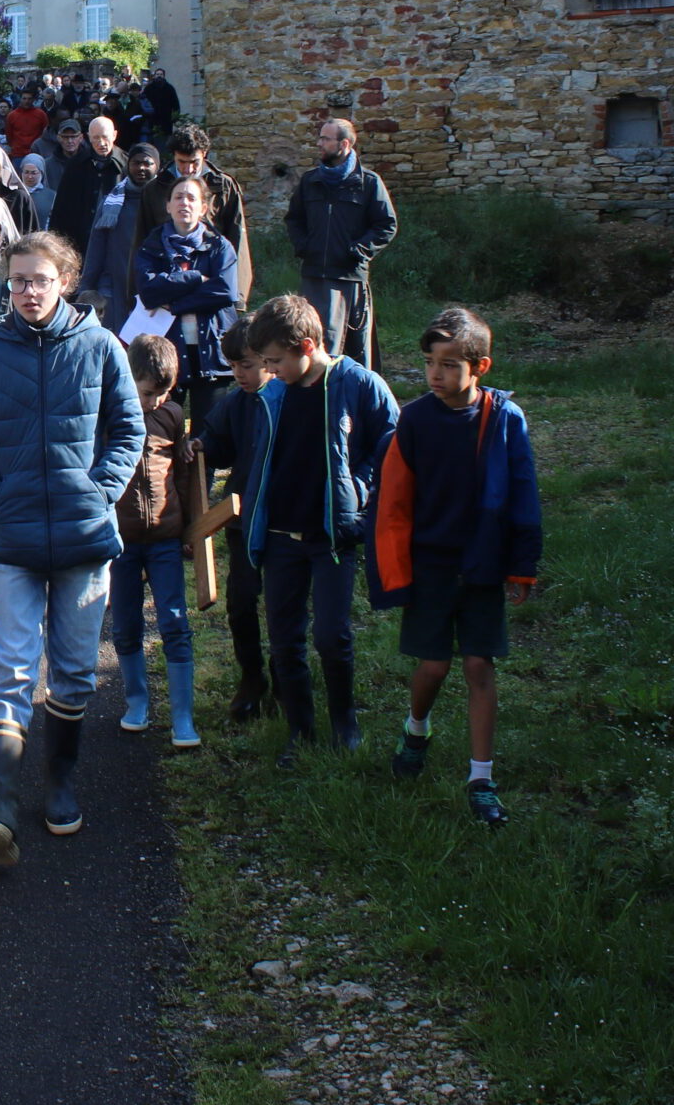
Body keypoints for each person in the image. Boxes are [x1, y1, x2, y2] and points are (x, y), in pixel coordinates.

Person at [0, 232, 143, 866]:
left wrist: (100, 491)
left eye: (39, 280)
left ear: (63, 280)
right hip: (13, 539)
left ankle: (59, 785)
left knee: (76, 670)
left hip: (86, 538)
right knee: (10, 671)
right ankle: (2, 802)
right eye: (17, 281)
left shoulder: (99, 347)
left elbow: (128, 427)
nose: (28, 292)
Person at [369, 306, 541, 826]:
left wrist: (522, 564)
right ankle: (416, 727)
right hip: (432, 566)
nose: (436, 375)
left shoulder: (505, 420)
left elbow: (523, 494)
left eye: (448, 364)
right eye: (429, 363)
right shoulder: (416, 420)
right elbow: (394, 501)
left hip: (483, 563)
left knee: (478, 666)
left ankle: (481, 778)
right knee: (435, 665)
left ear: (480, 367)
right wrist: (393, 571)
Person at [237, 294, 398, 767]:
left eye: (275, 361)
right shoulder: (273, 394)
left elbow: (392, 446)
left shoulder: (359, 385)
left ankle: (344, 722)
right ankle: (299, 729)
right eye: (263, 362)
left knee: (331, 634)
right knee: (285, 638)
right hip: (281, 538)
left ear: (307, 345)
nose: (269, 370)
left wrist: (360, 488)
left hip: (332, 537)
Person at [110, 333, 198, 749]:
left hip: (165, 538)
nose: (156, 402)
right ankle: (136, 703)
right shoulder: (106, 414)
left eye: (165, 393)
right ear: (129, 379)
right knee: (126, 626)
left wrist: (190, 530)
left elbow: (183, 476)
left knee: (174, 622)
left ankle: (183, 717)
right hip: (121, 544)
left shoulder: (173, 416)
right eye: (149, 393)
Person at [192, 314, 276, 722]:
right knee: (241, 603)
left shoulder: (287, 400)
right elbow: (218, 446)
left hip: (281, 521)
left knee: (280, 608)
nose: (239, 374)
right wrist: (200, 446)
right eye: (233, 366)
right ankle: (251, 678)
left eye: (247, 365)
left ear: (268, 359)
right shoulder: (234, 403)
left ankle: (284, 681)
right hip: (241, 519)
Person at [285, 118, 398, 368]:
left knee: (353, 351)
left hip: (349, 280)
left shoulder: (368, 183)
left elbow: (386, 225)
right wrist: (305, 246)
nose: (319, 143)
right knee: (312, 343)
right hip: (313, 276)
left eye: (325, 139)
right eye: (320, 138)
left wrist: (357, 250)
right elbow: (294, 219)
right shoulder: (310, 181)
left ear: (344, 144)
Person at [133, 174, 242, 427]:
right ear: (168, 205)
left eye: (191, 198)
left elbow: (225, 291)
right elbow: (149, 292)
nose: (185, 203)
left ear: (203, 208)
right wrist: (195, 277)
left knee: (208, 432)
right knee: (162, 429)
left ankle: (206, 469)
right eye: (178, 197)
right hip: (167, 351)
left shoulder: (219, 246)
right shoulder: (151, 247)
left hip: (211, 350)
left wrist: (177, 303)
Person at [136, 123, 253, 303]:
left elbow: (237, 239)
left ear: (204, 155)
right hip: (166, 279)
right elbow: (141, 240)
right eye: (182, 162)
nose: (188, 169)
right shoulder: (154, 189)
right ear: (174, 156)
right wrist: (135, 294)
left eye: (194, 163)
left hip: (212, 276)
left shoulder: (224, 187)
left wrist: (238, 296)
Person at [82, 142, 162, 332]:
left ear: (157, 166)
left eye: (147, 163)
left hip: (153, 288)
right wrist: (88, 286)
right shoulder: (111, 201)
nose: (141, 168)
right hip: (114, 287)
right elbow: (97, 246)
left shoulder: (165, 203)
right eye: (136, 163)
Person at [52, 115, 126, 266]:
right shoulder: (76, 164)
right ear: (88, 138)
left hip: (116, 241)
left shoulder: (126, 164)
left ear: (114, 135)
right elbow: (62, 208)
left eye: (105, 137)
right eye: (96, 138)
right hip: (81, 241)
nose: (101, 143)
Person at [41, 118, 87, 191]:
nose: (69, 141)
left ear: (81, 138)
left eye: (73, 136)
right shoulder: (47, 165)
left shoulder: (90, 163)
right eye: (65, 137)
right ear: (59, 138)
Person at [4, 89, 49, 160]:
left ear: (33, 100)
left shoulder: (41, 114)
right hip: (18, 154)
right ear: (20, 99)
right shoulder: (11, 116)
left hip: (36, 154)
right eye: (24, 98)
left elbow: (45, 133)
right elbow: (9, 136)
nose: (26, 101)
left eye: (29, 99)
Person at [17, 152, 56, 230]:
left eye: (34, 173)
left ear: (41, 173)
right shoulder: (14, 194)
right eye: (26, 172)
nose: (30, 176)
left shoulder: (52, 196)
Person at [143, 67, 181, 135]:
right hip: (152, 119)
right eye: (157, 74)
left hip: (166, 119)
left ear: (164, 76)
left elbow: (175, 104)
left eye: (161, 74)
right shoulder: (149, 88)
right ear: (155, 76)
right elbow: (143, 100)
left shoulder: (169, 88)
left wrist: (175, 117)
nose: (159, 76)